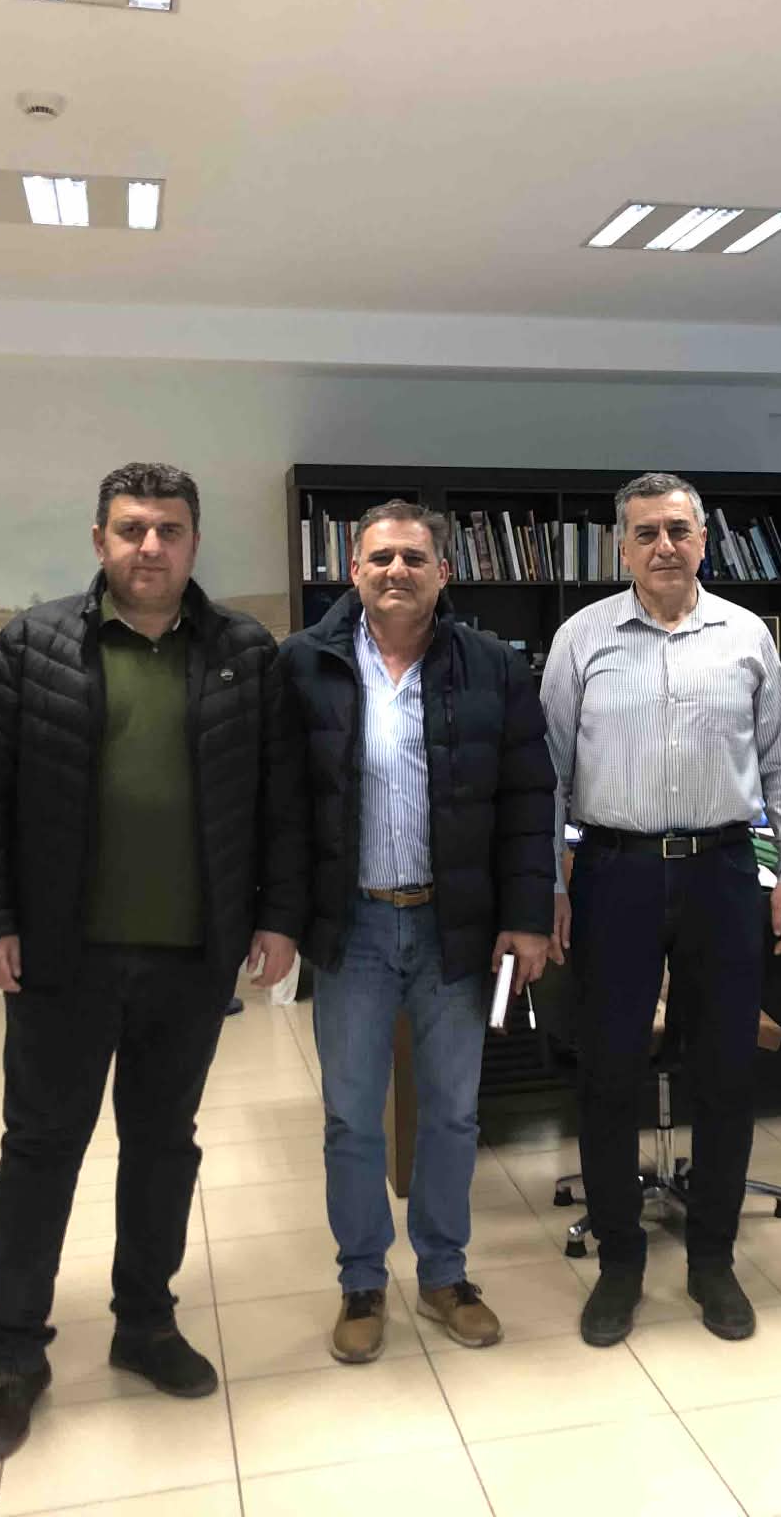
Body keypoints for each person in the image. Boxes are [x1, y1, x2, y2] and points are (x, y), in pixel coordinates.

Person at [0, 461, 308, 1463]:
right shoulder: (32, 647)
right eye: (133, 529)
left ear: (194, 542)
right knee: (40, 1150)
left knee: (162, 1147)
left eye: (170, 530)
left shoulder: (243, 653)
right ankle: (13, 1353)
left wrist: (279, 919)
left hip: (191, 958)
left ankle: (145, 1323)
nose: (151, 547)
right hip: (63, 958)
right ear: (98, 539)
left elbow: (280, 803)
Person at [542, 471, 781, 1347]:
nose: (664, 546)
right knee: (608, 1072)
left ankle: (712, 1259)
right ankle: (620, 1261)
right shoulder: (582, 638)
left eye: (678, 530)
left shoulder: (746, 635)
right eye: (646, 533)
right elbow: (547, 776)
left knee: (726, 1071)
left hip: (724, 871)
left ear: (704, 541)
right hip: (613, 872)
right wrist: (552, 885)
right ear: (622, 548)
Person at [278, 501, 556, 1365]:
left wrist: (528, 916)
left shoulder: (493, 666)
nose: (396, 570)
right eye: (380, 557)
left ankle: (444, 1274)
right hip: (353, 926)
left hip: (454, 928)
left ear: (444, 571)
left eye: (413, 557)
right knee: (352, 1119)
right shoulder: (303, 664)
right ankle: (362, 1280)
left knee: (452, 1115)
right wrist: (277, 922)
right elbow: (280, 806)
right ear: (352, 570)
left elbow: (528, 799)